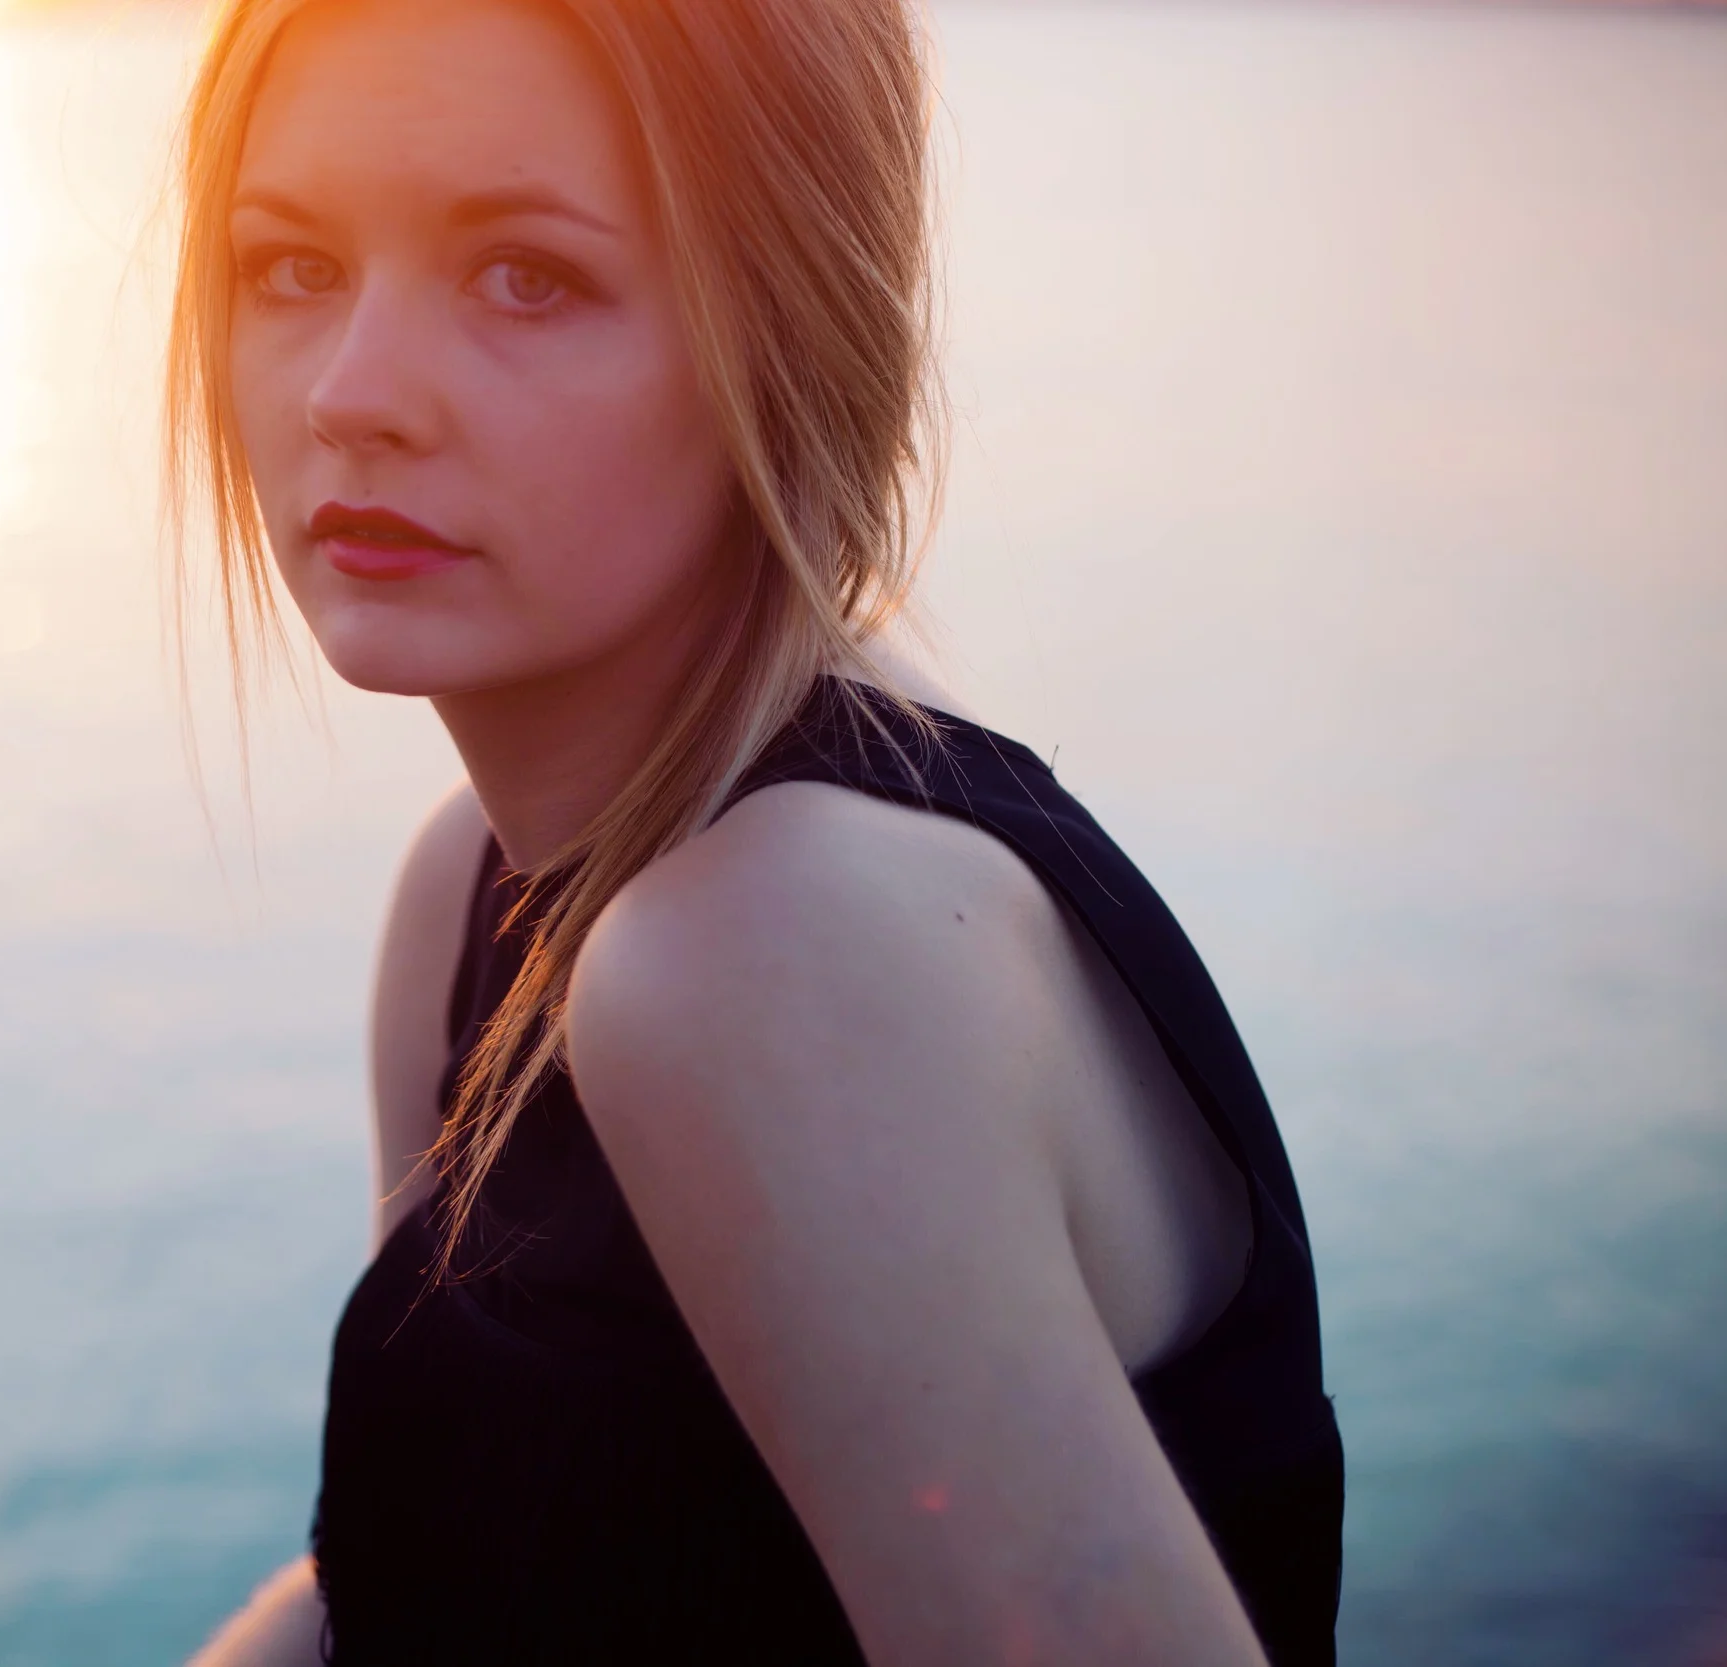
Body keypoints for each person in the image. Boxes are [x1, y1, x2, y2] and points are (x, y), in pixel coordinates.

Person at [166, 0, 1343, 1662]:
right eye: (289, 266)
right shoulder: (472, 893)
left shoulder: (778, 948)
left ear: (787, 327)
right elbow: (402, 1582)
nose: (354, 392)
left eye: (527, 276)